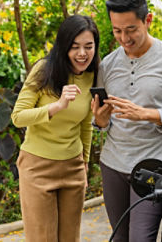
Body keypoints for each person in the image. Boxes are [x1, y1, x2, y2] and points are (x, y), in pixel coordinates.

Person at [91, 0, 162, 242]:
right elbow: (102, 120)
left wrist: (149, 115)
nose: (124, 38)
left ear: (148, 20)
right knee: (119, 238)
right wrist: (100, 121)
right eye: (117, 31)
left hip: (152, 166)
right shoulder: (107, 65)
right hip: (112, 164)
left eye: (131, 29)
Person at [11, 15, 100, 242]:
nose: (82, 53)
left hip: (73, 167)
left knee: (70, 238)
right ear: (63, 46)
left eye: (88, 46)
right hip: (37, 167)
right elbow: (18, 117)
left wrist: (84, 166)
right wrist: (57, 106)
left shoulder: (92, 75)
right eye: (75, 47)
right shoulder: (44, 70)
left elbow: (85, 126)